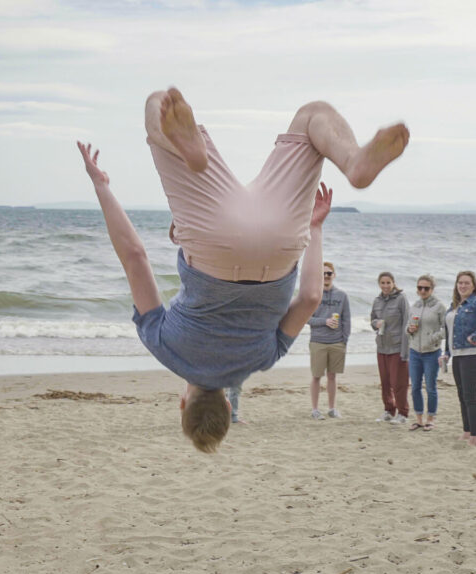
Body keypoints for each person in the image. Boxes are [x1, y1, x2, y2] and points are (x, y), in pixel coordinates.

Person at [77, 87, 410, 453]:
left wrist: (313, 229)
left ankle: (353, 164)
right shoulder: (164, 347)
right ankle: (192, 155)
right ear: (183, 403)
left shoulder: (263, 357)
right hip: (212, 240)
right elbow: (134, 256)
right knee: (157, 104)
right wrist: (101, 187)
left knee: (313, 117)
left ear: (226, 403)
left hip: (280, 242)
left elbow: (311, 296)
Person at [440, 271, 476, 448]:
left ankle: (475, 437)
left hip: (473, 354)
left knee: (470, 397)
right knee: (462, 395)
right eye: (460, 283)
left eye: (466, 283)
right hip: (457, 355)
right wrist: (446, 352)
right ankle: (467, 431)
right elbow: (449, 332)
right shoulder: (454, 305)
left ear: (473, 285)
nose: (463, 286)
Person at [306, 261, 351, 419]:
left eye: (329, 273)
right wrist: (324, 321)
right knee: (316, 376)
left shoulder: (342, 295)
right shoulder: (313, 295)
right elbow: (306, 319)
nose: (326, 276)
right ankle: (315, 410)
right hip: (318, 341)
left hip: (337, 342)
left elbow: (346, 320)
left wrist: (344, 340)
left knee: (332, 376)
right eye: (323, 273)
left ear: (334, 275)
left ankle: (332, 409)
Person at [405, 274, 447, 431]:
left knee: (430, 387)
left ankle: (430, 419)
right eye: (419, 288)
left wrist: (433, 338)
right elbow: (407, 328)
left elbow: (447, 329)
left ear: (432, 289)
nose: (422, 291)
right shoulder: (414, 305)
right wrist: (409, 330)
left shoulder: (439, 306)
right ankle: (418, 419)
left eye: (426, 288)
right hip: (415, 351)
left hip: (432, 352)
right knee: (415, 386)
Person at [371, 272, 410, 424]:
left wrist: (405, 351)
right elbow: (372, 319)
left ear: (393, 283)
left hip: (397, 347)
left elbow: (407, 323)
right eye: (382, 283)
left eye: (388, 282)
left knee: (398, 382)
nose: (385, 286)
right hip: (382, 347)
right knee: (385, 382)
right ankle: (389, 410)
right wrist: (376, 324)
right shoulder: (377, 301)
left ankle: (403, 413)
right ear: (379, 284)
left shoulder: (401, 299)